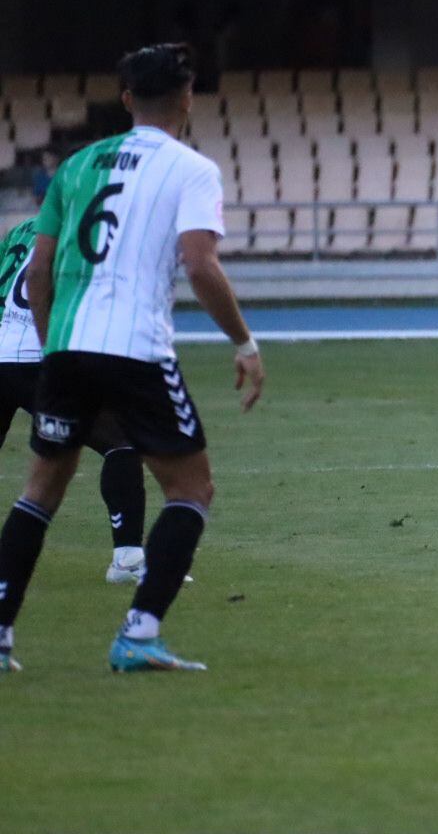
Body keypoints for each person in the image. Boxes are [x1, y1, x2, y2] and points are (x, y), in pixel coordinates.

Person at [0, 43, 265, 675]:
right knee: (191, 488)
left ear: (125, 99)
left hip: (64, 346)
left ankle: (1, 634)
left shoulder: (76, 166)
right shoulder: (191, 170)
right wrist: (244, 342)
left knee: (41, 489)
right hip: (136, 349)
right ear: (187, 98)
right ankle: (139, 633)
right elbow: (201, 264)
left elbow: (40, 272)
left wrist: (55, 341)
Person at [0, 216, 153, 586]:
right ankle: (127, 559)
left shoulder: (21, 230)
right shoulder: (85, 231)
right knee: (121, 441)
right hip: (38, 356)